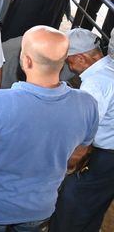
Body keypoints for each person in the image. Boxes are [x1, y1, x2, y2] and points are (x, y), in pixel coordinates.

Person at [0, 26, 99, 231]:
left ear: (26, 60)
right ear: (63, 61)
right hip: (40, 205)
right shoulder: (87, 104)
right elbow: (78, 154)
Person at [48, 29, 114, 231]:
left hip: (101, 157)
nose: (67, 65)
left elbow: (83, 137)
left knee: (71, 206)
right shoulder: (109, 66)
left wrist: (67, 167)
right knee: (94, 207)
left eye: (68, 60)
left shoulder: (93, 86)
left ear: (82, 58)